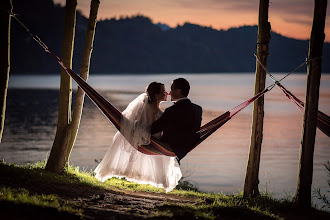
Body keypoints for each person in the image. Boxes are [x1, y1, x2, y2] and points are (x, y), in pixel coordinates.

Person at [94, 82, 182, 192]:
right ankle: (161, 179)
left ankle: (160, 179)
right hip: (150, 140)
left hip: (154, 142)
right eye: (163, 91)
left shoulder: (158, 111)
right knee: (164, 155)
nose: (166, 93)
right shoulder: (147, 108)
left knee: (163, 154)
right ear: (156, 95)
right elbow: (134, 122)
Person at [151, 78, 203, 164]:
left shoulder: (171, 111)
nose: (170, 93)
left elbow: (154, 129)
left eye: (171, 89)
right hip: (187, 146)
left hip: (171, 147)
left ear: (178, 91)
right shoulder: (198, 109)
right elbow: (196, 128)